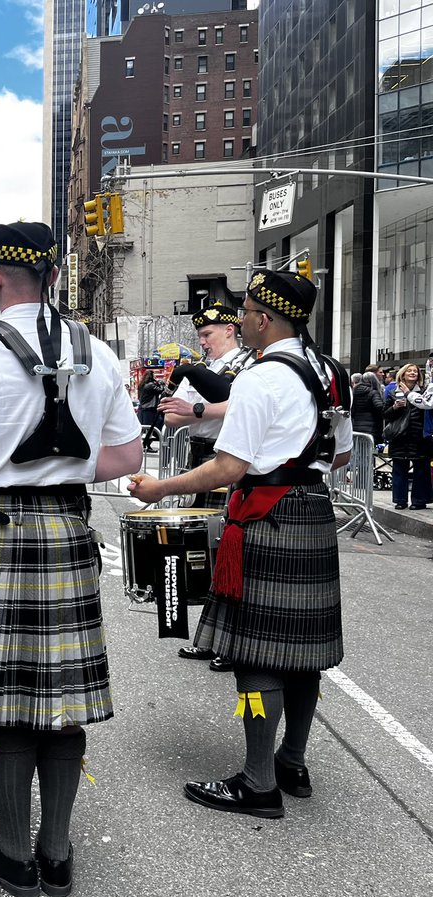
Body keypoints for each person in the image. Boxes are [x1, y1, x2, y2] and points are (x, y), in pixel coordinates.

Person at [0, 222, 143, 897]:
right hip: (67, 532)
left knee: (8, 707)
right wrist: (61, 463)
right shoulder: (94, 351)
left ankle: (14, 856)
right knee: (61, 703)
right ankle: (58, 854)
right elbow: (127, 459)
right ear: (55, 278)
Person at [130, 269, 352, 821]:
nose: (241, 319)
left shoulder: (261, 378)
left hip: (266, 517)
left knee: (257, 654)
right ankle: (292, 762)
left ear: (264, 317)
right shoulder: (330, 372)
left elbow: (228, 467)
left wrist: (159, 488)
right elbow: (343, 456)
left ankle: (258, 783)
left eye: (247, 310)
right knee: (303, 657)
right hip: (313, 513)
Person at [157, 302, 249, 673]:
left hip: (228, 459)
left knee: (226, 548)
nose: (203, 341)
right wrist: (177, 415)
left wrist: (193, 412)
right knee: (208, 552)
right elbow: (184, 416)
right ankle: (211, 637)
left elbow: (236, 406)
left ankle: (234, 641)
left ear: (229, 329)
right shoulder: (207, 369)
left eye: (208, 334)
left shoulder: (245, 364)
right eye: (199, 336)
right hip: (200, 454)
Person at [384, 363, 431, 510]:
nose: (412, 373)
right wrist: (395, 407)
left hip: (419, 435)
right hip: (400, 436)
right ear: (403, 374)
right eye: (409, 371)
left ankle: (419, 500)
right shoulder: (393, 392)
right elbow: (385, 414)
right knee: (399, 469)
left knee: (421, 469)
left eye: (415, 371)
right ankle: (400, 500)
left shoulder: (425, 392)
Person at [351, 371, 385, 445]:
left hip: (356, 425)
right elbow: (379, 406)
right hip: (371, 427)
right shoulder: (373, 392)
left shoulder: (354, 391)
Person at [136, 369, 164, 451]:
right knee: (151, 429)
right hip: (149, 410)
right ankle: (146, 445)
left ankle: (145, 445)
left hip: (143, 409)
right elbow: (160, 390)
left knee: (146, 429)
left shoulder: (143, 384)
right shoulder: (151, 385)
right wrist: (162, 384)